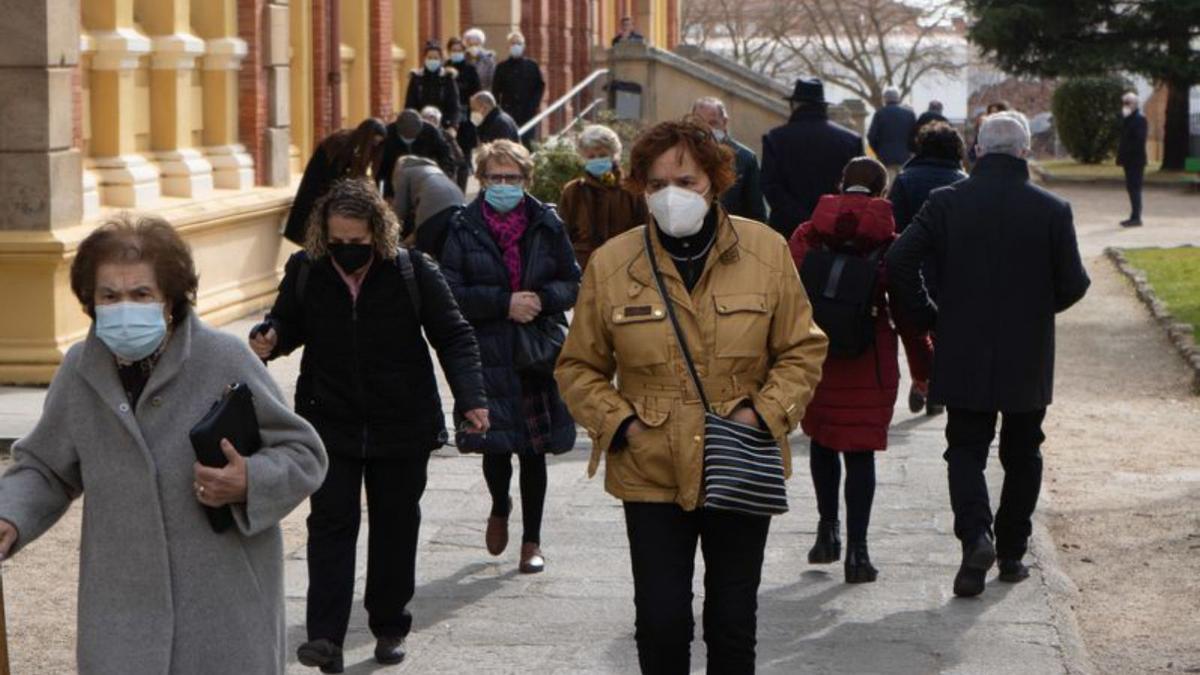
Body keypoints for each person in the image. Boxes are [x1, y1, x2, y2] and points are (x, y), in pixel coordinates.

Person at [555, 119, 828, 673]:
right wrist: (622, 426)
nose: (671, 194)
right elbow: (578, 366)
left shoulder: (765, 250)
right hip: (651, 461)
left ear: (716, 180)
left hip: (739, 454)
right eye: (655, 184)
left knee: (732, 621)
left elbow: (802, 349)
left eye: (686, 180)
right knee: (660, 621)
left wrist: (762, 414)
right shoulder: (614, 263)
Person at [0, 215, 327, 673]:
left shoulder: (223, 357)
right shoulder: (80, 370)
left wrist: (249, 479)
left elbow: (304, 453)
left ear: (170, 300)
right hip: (121, 616)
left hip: (223, 614)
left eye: (140, 294)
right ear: (90, 302)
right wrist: (10, 515)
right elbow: (46, 467)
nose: (123, 308)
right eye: (109, 296)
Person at [251, 179, 488, 672]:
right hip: (328, 421)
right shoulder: (307, 270)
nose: (347, 251)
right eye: (337, 242)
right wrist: (269, 338)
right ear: (323, 234)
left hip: (401, 421)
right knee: (331, 525)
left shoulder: (412, 271)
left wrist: (472, 400)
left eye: (357, 243)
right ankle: (325, 637)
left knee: (395, 526)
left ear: (377, 234)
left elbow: (454, 335)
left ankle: (388, 624)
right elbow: (286, 323)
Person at [886, 111, 1091, 598]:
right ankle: (1013, 551)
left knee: (965, 450)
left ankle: (976, 538)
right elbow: (1074, 284)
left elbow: (899, 259)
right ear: (1025, 152)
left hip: (963, 341)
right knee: (1024, 451)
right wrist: (1039, 309)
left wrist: (929, 315)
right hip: (1027, 348)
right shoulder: (1052, 209)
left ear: (978, 151)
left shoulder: (946, 203)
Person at [439, 140, 581, 575]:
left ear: (526, 180)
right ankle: (500, 506)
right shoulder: (463, 225)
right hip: (486, 350)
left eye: (511, 178)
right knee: (496, 447)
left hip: (535, 352)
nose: (503, 185)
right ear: (482, 180)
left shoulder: (545, 221)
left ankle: (532, 541)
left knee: (533, 451)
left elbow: (571, 281)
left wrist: (539, 299)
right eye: (495, 178)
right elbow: (449, 291)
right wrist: (503, 303)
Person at [789, 157, 932, 585]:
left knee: (822, 439)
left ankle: (826, 529)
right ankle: (858, 552)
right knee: (860, 453)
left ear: (841, 184)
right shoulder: (891, 241)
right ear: (883, 193)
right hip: (868, 358)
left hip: (815, 356)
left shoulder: (807, 234)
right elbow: (908, 314)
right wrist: (923, 368)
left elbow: (784, 294)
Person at [888, 121, 967, 415]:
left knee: (918, 329)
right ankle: (937, 384)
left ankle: (923, 378)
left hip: (915, 262)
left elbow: (893, 223)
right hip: (950, 265)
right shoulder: (962, 179)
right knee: (945, 328)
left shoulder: (907, 179)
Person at [762, 77, 863, 239]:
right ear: (823, 106)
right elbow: (858, 188)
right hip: (836, 230)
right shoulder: (851, 141)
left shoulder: (775, 138)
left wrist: (802, 218)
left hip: (788, 230)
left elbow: (771, 187)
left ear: (794, 105)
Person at [558, 124, 649, 269]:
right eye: (591, 156)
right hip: (583, 270)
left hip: (625, 268)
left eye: (602, 155)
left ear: (613, 155)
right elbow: (562, 237)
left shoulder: (631, 189)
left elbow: (645, 231)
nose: (597, 160)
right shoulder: (573, 192)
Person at [285, 118, 387, 245]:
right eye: (374, 142)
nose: (375, 146)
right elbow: (332, 179)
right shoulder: (341, 146)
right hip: (318, 194)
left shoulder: (353, 148)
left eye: (378, 143)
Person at [692, 96, 767, 221]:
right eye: (699, 124)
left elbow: (755, 211)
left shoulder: (745, 158)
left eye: (712, 123)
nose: (706, 130)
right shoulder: (681, 155)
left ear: (724, 122)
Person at [391, 154, 465, 259]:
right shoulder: (435, 169)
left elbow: (400, 210)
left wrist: (390, 232)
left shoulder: (405, 172)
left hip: (434, 206)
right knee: (445, 252)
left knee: (423, 255)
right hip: (459, 201)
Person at [378, 109, 456, 199]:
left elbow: (446, 157)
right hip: (395, 181)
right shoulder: (388, 134)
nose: (410, 139)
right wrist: (385, 195)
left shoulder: (431, 132)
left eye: (413, 137)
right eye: (406, 137)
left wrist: (444, 179)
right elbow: (381, 167)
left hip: (425, 180)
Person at [492, 31, 545, 148]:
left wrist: (534, 105)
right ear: (508, 46)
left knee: (527, 144)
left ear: (524, 46)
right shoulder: (501, 67)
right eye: (513, 43)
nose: (516, 46)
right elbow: (495, 90)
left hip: (528, 112)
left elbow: (539, 87)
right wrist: (498, 111)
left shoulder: (532, 66)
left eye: (519, 43)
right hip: (508, 112)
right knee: (509, 144)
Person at [404, 41, 460, 133]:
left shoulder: (447, 78)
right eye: (429, 58)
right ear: (424, 59)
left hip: (443, 127)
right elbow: (410, 105)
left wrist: (453, 126)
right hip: (420, 127)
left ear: (441, 59)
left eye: (435, 58)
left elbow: (454, 106)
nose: (432, 60)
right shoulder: (417, 78)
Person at [421, 105, 470, 192]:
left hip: (444, 180)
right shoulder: (417, 137)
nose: (430, 124)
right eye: (427, 120)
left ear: (438, 122)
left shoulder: (447, 136)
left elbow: (460, 161)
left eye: (433, 120)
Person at [1117, 91, 1148, 228]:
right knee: (1131, 188)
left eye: (1128, 103)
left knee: (1135, 188)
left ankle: (1137, 217)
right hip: (1128, 160)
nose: (1125, 106)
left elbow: (1138, 140)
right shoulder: (1128, 118)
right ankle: (1133, 216)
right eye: (1124, 103)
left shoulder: (1140, 119)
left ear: (1135, 104)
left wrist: (1128, 152)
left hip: (1136, 160)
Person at [868, 88, 916, 175]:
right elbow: (914, 135)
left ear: (885, 99)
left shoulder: (880, 113)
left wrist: (878, 150)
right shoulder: (909, 114)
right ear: (898, 98)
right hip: (905, 158)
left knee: (888, 185)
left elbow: (872, 136)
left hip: (885, 157)